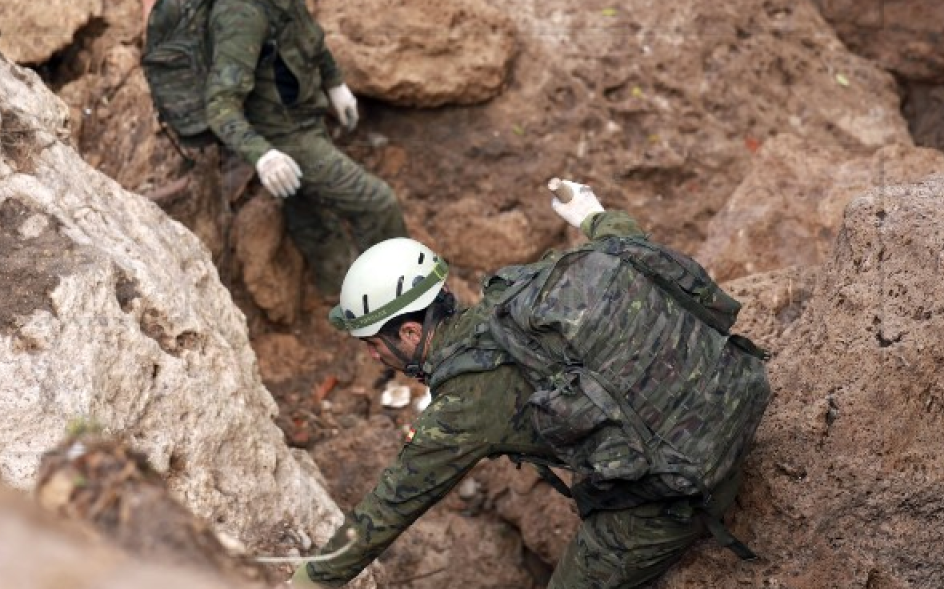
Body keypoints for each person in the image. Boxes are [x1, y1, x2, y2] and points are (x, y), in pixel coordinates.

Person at [290, 181, 756, 588]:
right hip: (736, 399)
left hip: (683, 487)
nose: (373, 356)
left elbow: (390, 506)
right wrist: (593, 215)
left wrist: (311, 579)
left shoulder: (464, 403)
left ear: (410, 333)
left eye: (373, 344)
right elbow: (624, 245)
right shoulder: (523, 296)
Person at [206, 0, 406, 296]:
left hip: (302, 110)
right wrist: (262, 154)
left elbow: (307, 37)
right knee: (378, 203)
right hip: (284, 133)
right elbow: (220, 104)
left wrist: (334, 83)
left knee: (309, 208)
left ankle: (341, 286)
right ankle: (397, 293)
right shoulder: (240, 13)